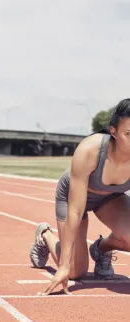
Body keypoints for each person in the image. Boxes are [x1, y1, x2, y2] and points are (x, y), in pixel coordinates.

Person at [30, 98, 130, 296]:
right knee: (76, 271)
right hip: (73, 199)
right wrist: (64, 266)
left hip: (110, 197)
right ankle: (45, 236)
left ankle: (101, 249)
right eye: (129, 134)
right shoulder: (89, 150)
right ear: (113, 132)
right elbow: (75, 210)